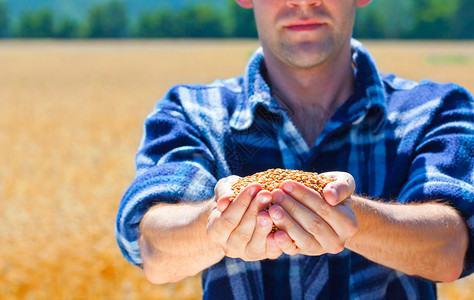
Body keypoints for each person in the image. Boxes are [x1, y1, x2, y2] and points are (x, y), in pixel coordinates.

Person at [116, 0, 474, 299]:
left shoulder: (437, 108)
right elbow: (152, 249)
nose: (303, 3)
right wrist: (216, 221)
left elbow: (453, 249)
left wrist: (356, 219)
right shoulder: (191, 111)